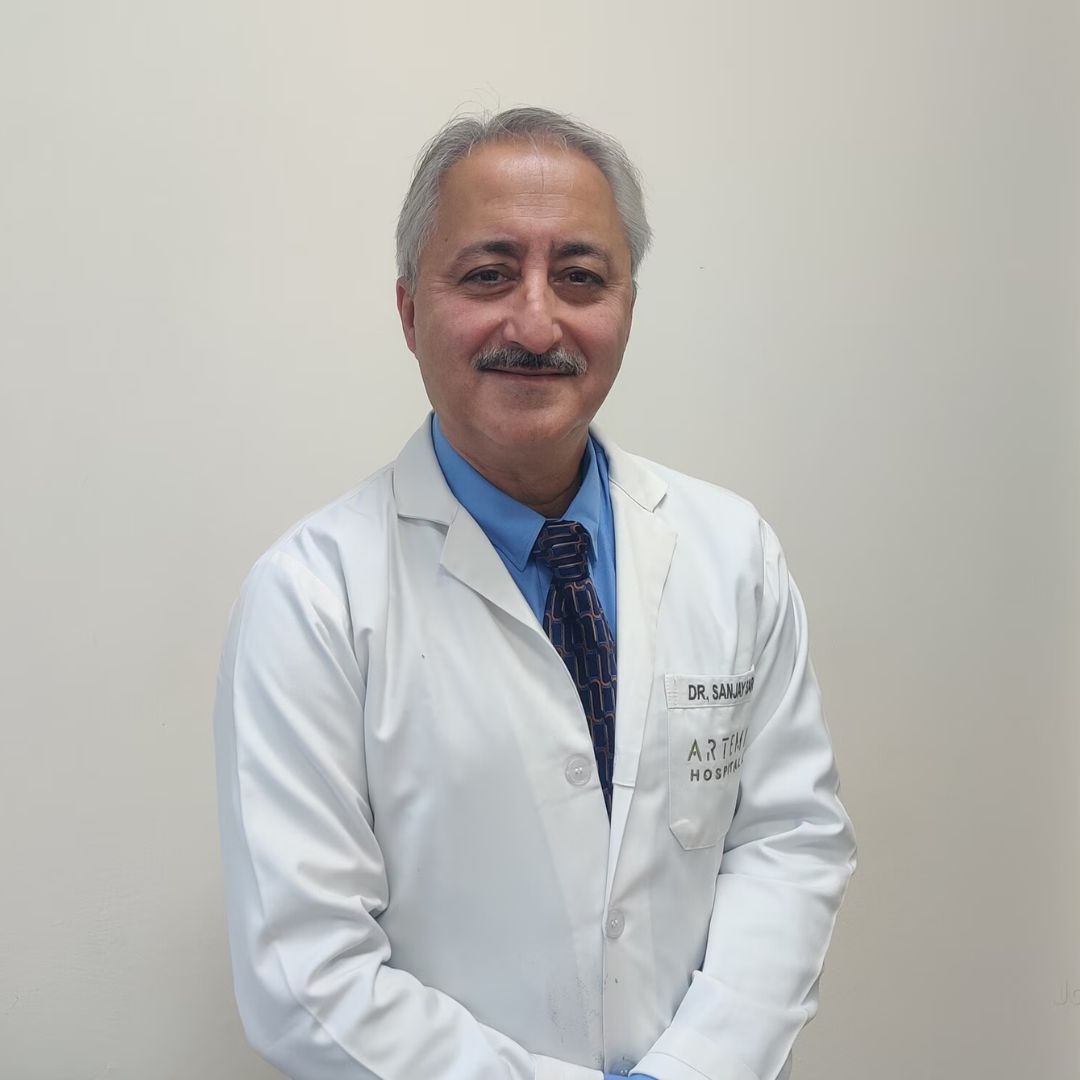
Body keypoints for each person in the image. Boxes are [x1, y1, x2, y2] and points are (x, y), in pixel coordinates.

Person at [213, 106, 856, 1080]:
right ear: (409, 312)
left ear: (628, 308)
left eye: (581, 277)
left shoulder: (732, 553)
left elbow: (790, 841)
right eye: (487, 273)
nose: (537, 321)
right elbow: (308, 976)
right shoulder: (310, 600)